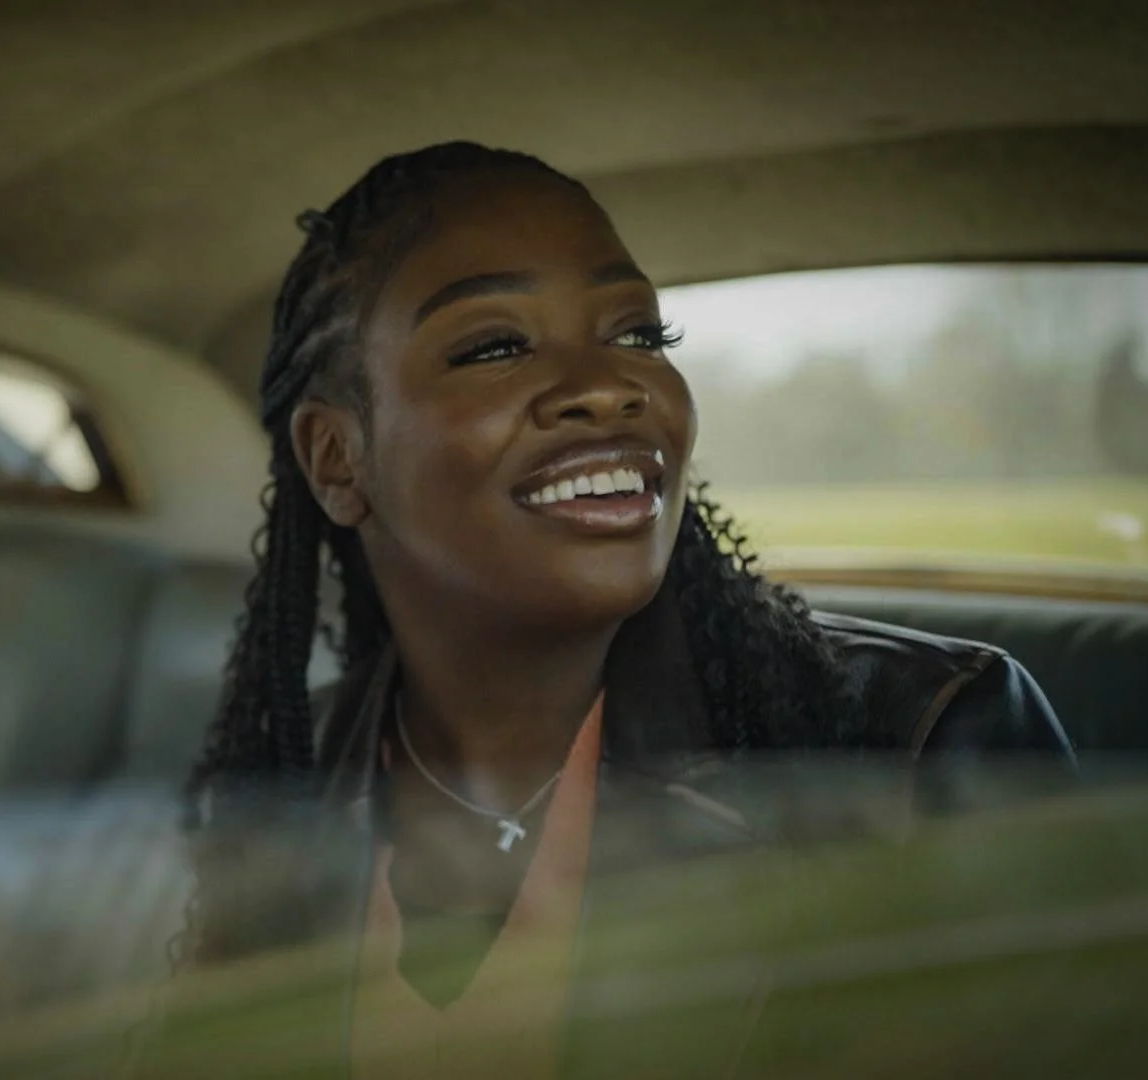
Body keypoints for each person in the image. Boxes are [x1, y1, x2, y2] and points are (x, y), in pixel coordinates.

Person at [136, 142, 1075, 1078]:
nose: (611, 385)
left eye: (638, 336)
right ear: (338, 458)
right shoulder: (285, 782)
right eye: (496, 345)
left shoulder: (923, 747)